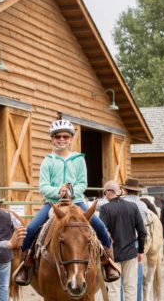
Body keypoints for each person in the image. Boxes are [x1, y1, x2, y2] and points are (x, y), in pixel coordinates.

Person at [13, 119, 120, 285]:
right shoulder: (48, 161)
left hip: (76, 202)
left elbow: (82, 183)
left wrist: (70, 192)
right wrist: (57, 192)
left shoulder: (78, 159)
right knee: (32, 228)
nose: (61, 139)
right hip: (52, 204)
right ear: (52, 139)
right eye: (57, 136)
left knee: (99, 226)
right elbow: (43, 186)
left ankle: (108, 262)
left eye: (65, 136)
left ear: (71, 139)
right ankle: (25, 264)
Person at [99, 181, 146, 301]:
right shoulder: (132, 207)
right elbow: (142, 231)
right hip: (131, 253)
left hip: (113, 256)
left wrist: (105, 251)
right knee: (131, 289)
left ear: (108, 192)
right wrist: (140, 250)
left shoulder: (105, 209)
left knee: (113, 289)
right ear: (119, 192)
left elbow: (102, 232)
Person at [119, 178, 148, 301]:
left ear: (125, 190)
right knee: (136, 277)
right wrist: (141, 249)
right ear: (137, 191)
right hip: (135, 242)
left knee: (118, 278)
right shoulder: (143, 205)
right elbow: (143, 228)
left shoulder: (120, 203)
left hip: (120, 242)